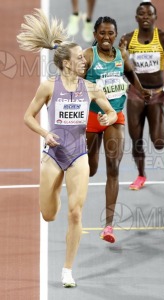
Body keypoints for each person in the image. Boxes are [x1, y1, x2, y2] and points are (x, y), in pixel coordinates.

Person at [17, 9, 117, 288]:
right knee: (49, 215)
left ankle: (67, 270)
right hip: (53, 155)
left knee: (75, 213)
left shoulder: (92, 88)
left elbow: (109, 112)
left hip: (78, 155)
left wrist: (108, 117)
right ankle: (55, 194)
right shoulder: (48, 87)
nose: (84, 62)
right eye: (78, 60)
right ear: (65, 63)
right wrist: (45, 133)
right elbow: (27, 117)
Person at [83, 16, 151, 243]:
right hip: (92, 118)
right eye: (101, 33)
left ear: (115, 34)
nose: (106, 37)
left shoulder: (121, 55)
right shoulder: (88, 56)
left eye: (110, 33)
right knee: (91, 170)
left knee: (113, 167)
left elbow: (130, 73)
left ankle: (108, 226)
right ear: (95, 35)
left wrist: (141, 90)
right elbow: (74, 83)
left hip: (115, 117)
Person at [119, 2, 164, 190]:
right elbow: (121, 70)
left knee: (159, 143)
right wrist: (123, 55)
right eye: (141, 14)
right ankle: (141, 175)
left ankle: (160, 115)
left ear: (155, 18)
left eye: (149, 14)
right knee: (136, 139)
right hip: (135, 94)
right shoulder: (127, 39)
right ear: (136, 18)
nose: (145, 17)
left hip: (157, 95)